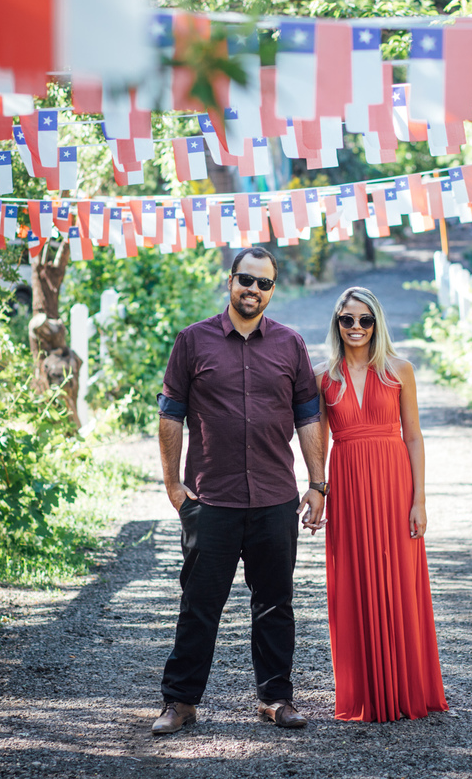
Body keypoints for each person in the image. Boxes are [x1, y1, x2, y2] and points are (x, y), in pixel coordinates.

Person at [152, 246, 328, 735]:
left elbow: (308, 417)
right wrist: (173, 486)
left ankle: (276, 698)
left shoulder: (290, 344)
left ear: (273, 289)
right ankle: (181, 702)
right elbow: (170, 414)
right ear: (230, 281)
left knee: (275, 603)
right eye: (246, 280)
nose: (254, 290)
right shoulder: (192, 341)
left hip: (275, 498)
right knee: (199, 605)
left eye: (264, 283)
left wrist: (317, 484)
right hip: (211, 500)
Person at [315, 286, 447, 722]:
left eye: (364, 320)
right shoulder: (323, 377)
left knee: (398, 582)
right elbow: (318, 439)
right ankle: (365, 693)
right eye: (347, 320)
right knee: (354, 582)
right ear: (337, 324)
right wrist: (317, 490)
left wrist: (420, 500)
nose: (356, 328)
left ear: (376, 323)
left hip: (394, 487)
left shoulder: (399, 369)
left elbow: (413, 435)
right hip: (350, 489)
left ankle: (407, 688)